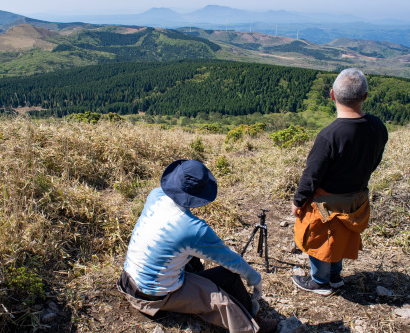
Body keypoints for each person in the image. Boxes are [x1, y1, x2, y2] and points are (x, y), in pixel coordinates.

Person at [117, 159, 277, 333]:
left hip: (127, 279)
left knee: (196, 260)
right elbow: (231, 261)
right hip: (151, 296)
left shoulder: (155, 195)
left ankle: (201, 286)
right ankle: (255, 328)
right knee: (223, 298)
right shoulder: (193, 229)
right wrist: (256, 279)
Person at [291, 68, 388, 296]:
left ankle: (320, 281)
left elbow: (311, 175)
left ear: (332, 95)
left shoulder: (329, 135)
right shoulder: (377, 127)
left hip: (326, 199)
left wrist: (299, 201)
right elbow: (375, 160)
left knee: (319, 237)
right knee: (342, 233)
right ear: (365, 96)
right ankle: (335, 276)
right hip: (357, 196)